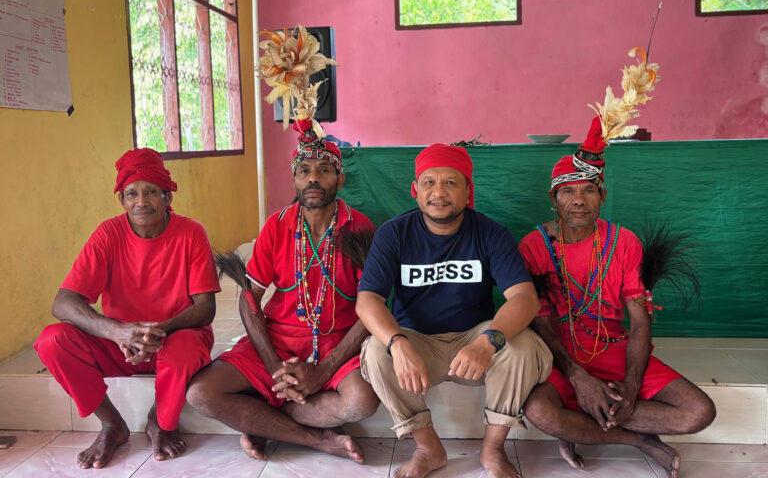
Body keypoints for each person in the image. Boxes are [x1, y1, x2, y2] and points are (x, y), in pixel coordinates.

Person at [519, 117, 716, 478]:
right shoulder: (533, 246)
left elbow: (640, 320)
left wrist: (630, 383)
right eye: (568, 191)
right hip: (559, 355)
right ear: (553, 198)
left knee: (699, 412)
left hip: (613, 347)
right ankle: (636, 440)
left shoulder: (624, 242)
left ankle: (578, 428)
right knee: (540, 411)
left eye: (589, 191)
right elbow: (541, 322)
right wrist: (579, 378)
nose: (579, 200)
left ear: (603, 196)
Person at [186, 120, 380, 464]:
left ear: (341, 179)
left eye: (324, 170)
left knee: (362, 401)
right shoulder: (277, 226)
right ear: (294, 180)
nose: (313, 179)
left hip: (338, 343)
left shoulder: (360, 227)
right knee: (201, 393)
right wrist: (277, 369)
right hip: (277, 342)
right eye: (303, 170)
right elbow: (249, 300)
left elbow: (371, 308)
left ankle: (266, 422)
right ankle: (318, 440)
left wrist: (322, 370)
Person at [355, 143, 553, 478]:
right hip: (418, 343)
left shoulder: (490, 233)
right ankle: (427, 448)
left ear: (467, 190)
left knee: (522, 346)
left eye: (451, 183)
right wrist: (399, 345)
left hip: (475, 343)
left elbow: (524, 298)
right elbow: (368, 300)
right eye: (429, 182)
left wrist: (488, 341)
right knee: (377, 351)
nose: (439, 192)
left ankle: (492, 450)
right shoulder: (394, 233)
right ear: (415, 191)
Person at [35, 148, 220, 468]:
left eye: (151, 192)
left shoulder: (191, 232)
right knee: (52, 340)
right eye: (131, 193)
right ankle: (111, 424)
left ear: (167, 197)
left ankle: (160, 422)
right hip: (120, 345)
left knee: (187, 347)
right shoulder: (108, 234)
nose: (141, 201)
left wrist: (153, 331)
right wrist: (118, 331)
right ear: (121, 200)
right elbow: (63, 302)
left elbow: (205, 308)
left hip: (172, 339)